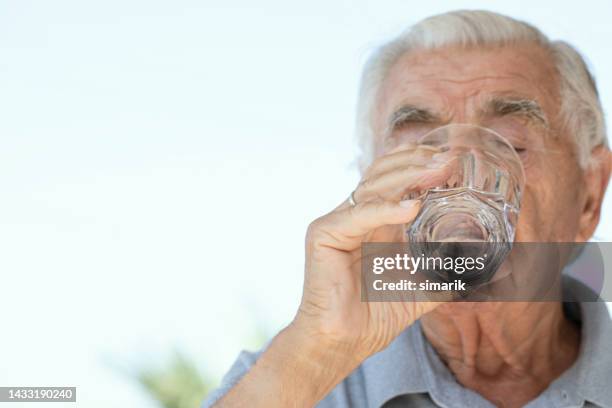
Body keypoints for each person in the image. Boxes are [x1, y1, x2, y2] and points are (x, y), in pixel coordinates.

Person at [203, 10, 612, 408]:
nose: (460, 177)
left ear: (589, 197)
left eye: (509, 143)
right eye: (421, 152)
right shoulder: (287, 381)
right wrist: (316, 353)